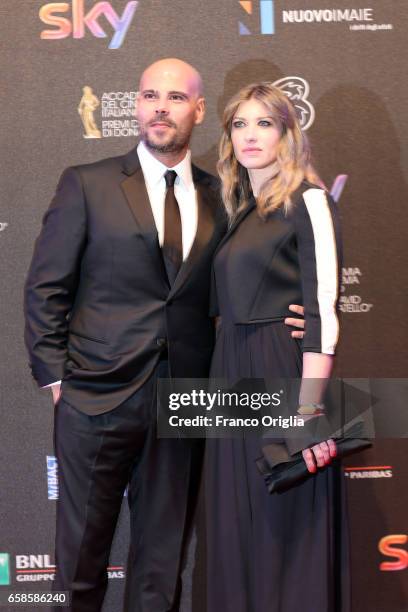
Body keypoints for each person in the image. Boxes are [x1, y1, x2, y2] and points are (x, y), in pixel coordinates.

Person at [25, 59, 306, 611]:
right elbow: (45, 289)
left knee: (162, 564)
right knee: (80, 559)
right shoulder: (88, 183)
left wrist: (294, 313)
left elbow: (249, 274)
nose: (160, 107)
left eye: (176, 98)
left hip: (186, 398)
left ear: (198, 110)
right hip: (95, 395)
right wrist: (59, 382)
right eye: (150, 95)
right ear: (135, 105)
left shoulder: (222, 197)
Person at [205, 83, 350, 612]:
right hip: (230, 370)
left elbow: (322, 311)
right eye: (240, 124)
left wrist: (310, 410)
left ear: (288, 132)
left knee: (280, 522)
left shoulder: (308, 200)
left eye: (264, 123)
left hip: (279, 369)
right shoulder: (242, 209)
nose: (250, 135)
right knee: (237, 524)